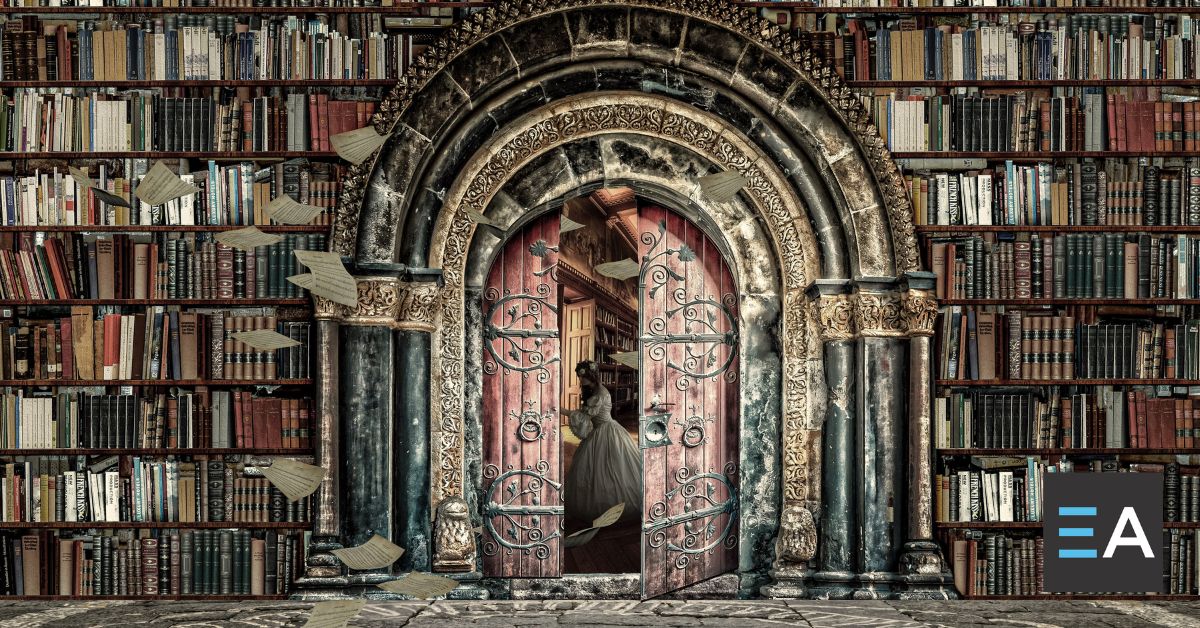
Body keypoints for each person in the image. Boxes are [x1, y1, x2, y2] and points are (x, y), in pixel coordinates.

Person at [564, 360, 642, 525]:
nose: (580, 380)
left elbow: (584, 416)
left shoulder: (601, 393)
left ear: (591, 375)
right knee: (597, 469)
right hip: (600, 430)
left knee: (611, 468)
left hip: (607, 431)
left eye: (582, 377)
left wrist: (562, 410)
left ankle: (611, 505)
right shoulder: (594, 390)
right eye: (579, 377)